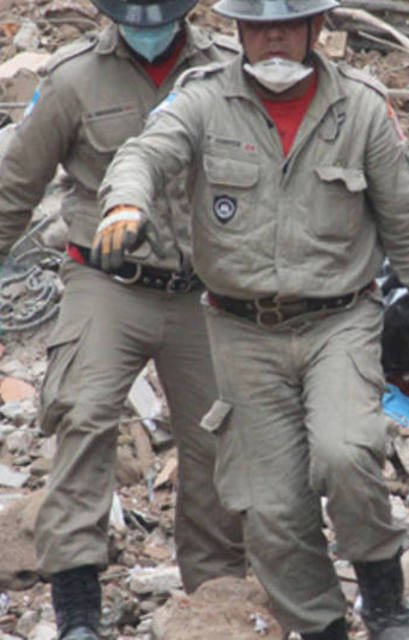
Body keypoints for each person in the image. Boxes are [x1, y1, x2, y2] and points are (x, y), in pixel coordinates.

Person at [91, 1, 409, 638]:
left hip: (339, 321)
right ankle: (322, 626)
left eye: (287, 23)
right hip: (242, 330)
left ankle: (385, 605)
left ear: (316, 28)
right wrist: (125, 204)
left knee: (346, 452)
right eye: (257, 25)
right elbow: (147, 151)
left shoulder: (360, 108)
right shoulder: (203, 99)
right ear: (238, 30)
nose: (272, 38)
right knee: (270, 509)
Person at [0, 2, 246, 638]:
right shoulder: (72, 79)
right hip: (105, 282)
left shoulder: (229, 70)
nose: (147, 19)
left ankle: (214, 599)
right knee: (81, 411)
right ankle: (78, 608)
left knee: (221, 437)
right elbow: (14, 188)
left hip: (204, 290)